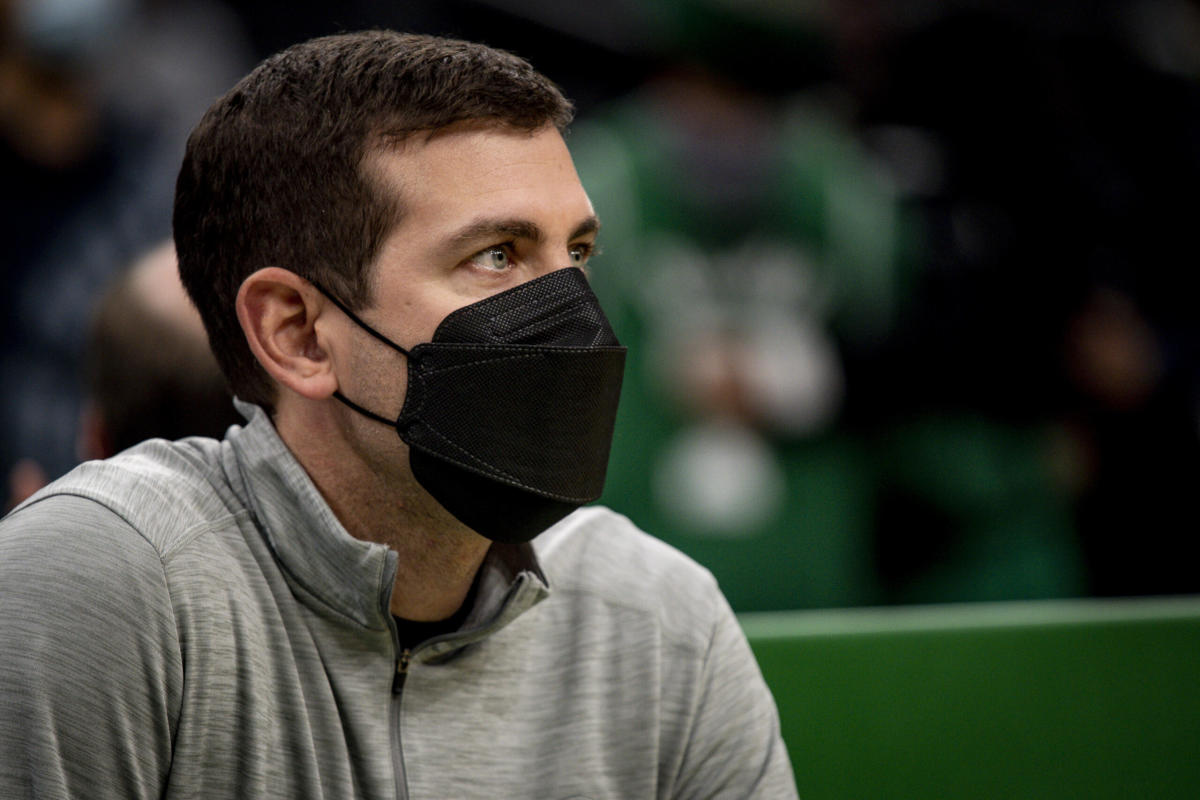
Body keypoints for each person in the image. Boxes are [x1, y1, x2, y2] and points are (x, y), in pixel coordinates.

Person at [0, 30, 797, 799]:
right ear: (299, 334)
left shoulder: (656, 619)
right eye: (497, 255)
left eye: (577, 253)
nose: (575, 316)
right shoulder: (111, 585)